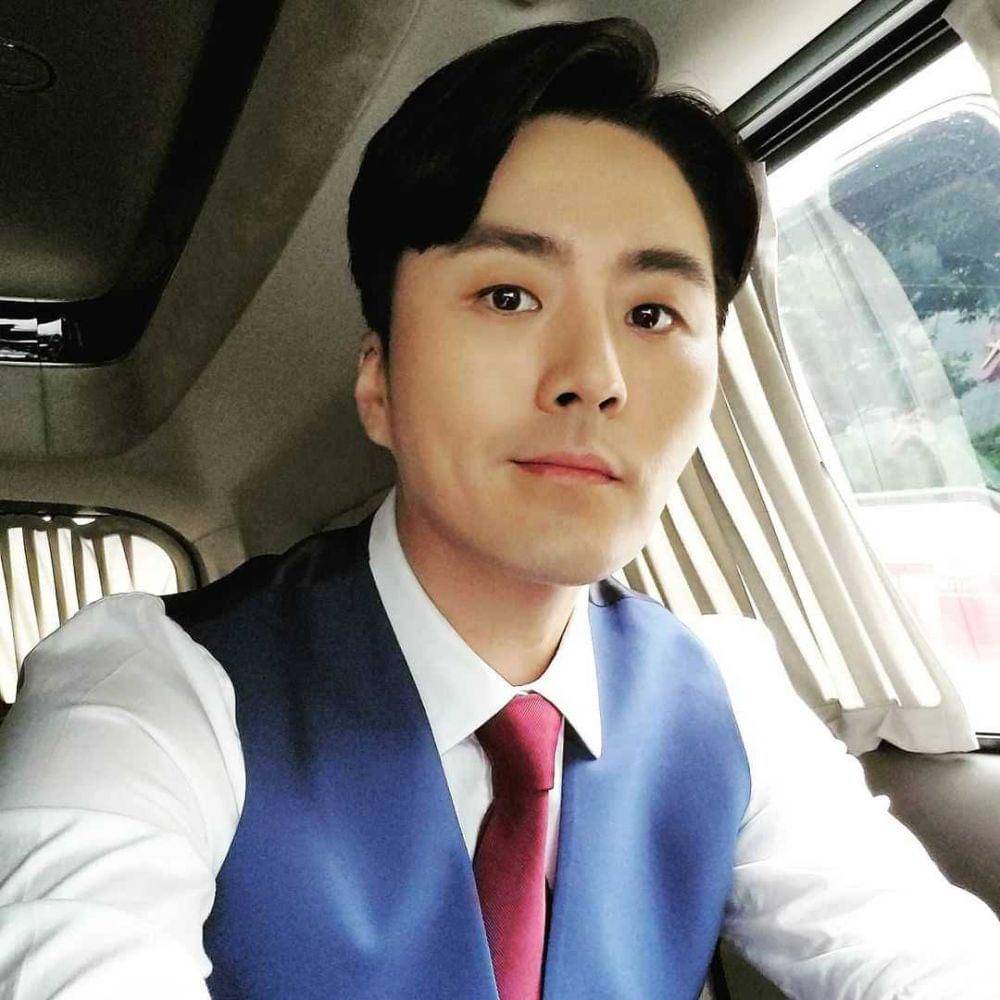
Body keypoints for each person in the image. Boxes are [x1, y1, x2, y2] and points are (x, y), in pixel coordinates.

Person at [1, 16, 999, 1000]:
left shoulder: (727, 695)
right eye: (509, 296)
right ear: (378, 383)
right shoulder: (157, 686)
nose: (594, 376)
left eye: (652, 313)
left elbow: (915, 954)